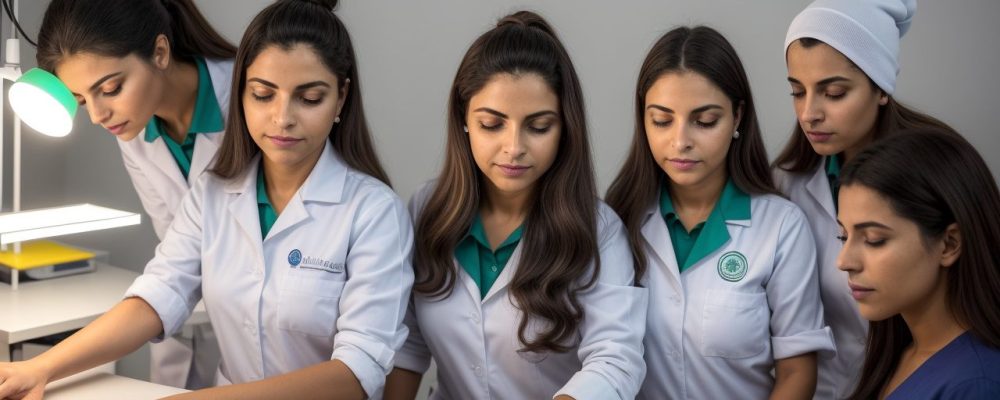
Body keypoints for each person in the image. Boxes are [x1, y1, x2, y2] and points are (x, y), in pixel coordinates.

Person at [0, 1, 412, 399]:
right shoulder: (212, 192)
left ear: (340, 98)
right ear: (242, 94)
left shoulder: (374, 213)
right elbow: (163, 289)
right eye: (263, 95)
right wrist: (42, 368)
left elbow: (358, 371)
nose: (282, 118)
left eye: (308, 98)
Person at [383, 10, 647, 400]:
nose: (514, 147)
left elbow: (616, 359)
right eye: (493, 124)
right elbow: (407, 345)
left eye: (538, 127)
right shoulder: (426, 209)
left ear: (565, 128)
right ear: (464, 120)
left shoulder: (598, 229)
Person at [605, 25, 835, 399]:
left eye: (705, 121)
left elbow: (797, 372)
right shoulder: (617, 223)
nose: (681, 141)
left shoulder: (780, 227)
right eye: (661, 120)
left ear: (737, 117)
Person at [35, 0, 237, 388]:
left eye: (110, 88)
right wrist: (42, 368)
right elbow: (176, 259)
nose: (96, 115)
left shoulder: (254, 105)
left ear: (160, 52)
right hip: (204, 324)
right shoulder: (134, 128)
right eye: (80, 100)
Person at [774, 1, 956, 397]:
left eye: (834, 93)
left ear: (881, 88)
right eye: (797, 91)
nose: (809, 114)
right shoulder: (785, 188)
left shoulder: (938, 175)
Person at [836, 129, 1000, 399]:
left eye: (874, 239)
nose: (843, 261)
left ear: (949, 244)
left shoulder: (976, 385)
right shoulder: (900, 351)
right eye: (842, 235)